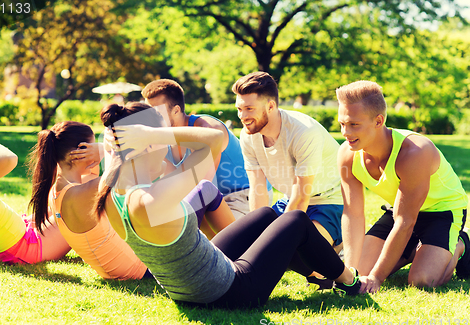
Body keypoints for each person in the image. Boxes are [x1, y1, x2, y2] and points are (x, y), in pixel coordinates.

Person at [95, 102, 362, 309]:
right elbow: (214, 140)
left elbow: (120, 161)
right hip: (232, 291)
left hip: (188, 289)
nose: (166, 151)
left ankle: (318, 272)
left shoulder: (109, 192)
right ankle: (350, 282)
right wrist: (155, 133)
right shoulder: (151, 200)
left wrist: (122, 141)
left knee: (267, 214)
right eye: (160, 144)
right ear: (147, 144)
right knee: (295, 221)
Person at [336, 80, 470, 293]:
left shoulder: (414, 152)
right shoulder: (347, 154)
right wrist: (351, 273)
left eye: (353, 124)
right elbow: (352, 213)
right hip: (400, 208)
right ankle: (411, 250)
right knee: (361, 270)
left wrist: (377, 278)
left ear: (378, 121)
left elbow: (405, 221)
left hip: (441, 212)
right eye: (342, 123)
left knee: (422, 280)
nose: (345, 132)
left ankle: (461, 243)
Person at [232, 72, 344, 255]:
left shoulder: (304, 132)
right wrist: (257, 233)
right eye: (239, 109)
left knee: (301, 254)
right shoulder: (248, 135)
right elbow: (258, 189)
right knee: (252, 242)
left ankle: (339, 245)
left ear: (270, 106)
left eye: (249, 108)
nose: (242, 116)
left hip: (329, 200)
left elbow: (301, 197)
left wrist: (274, 242)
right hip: (289, 199)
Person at [28, 121, 148, 280]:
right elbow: (132, 163)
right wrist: (104, 149)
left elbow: (94, 174)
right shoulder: (83, 193)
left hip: (120, 269)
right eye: (91, 146)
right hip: (139, 270)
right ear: (80, 152)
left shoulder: (57, 191)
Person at [141, 79, 272, 220]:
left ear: (176, 110)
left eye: (157, 113)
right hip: (211, 199)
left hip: (242, 196)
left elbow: (203, 186)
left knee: (187, 228)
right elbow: (172, 181)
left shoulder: (207, 129)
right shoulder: (163, 137)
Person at [0, 111, 71, 264]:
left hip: (18, 238)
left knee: (60, 201)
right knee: (81, 207)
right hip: (24, 249)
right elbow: (8, 159)